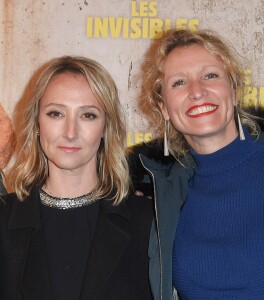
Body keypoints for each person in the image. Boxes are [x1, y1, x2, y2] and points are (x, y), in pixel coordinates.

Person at [133, 28, 264, 299]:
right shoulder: (157, 197)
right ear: (163, 107)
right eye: (179, 83)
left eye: (210, 75)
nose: (197, 92)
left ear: (234, 91)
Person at [0, 56, 153, 300]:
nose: (70, 133)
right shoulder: (3, 221)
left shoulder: (147, 221)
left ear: (105, 127)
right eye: (56, 113)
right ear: (37, 122)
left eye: (88, 115)